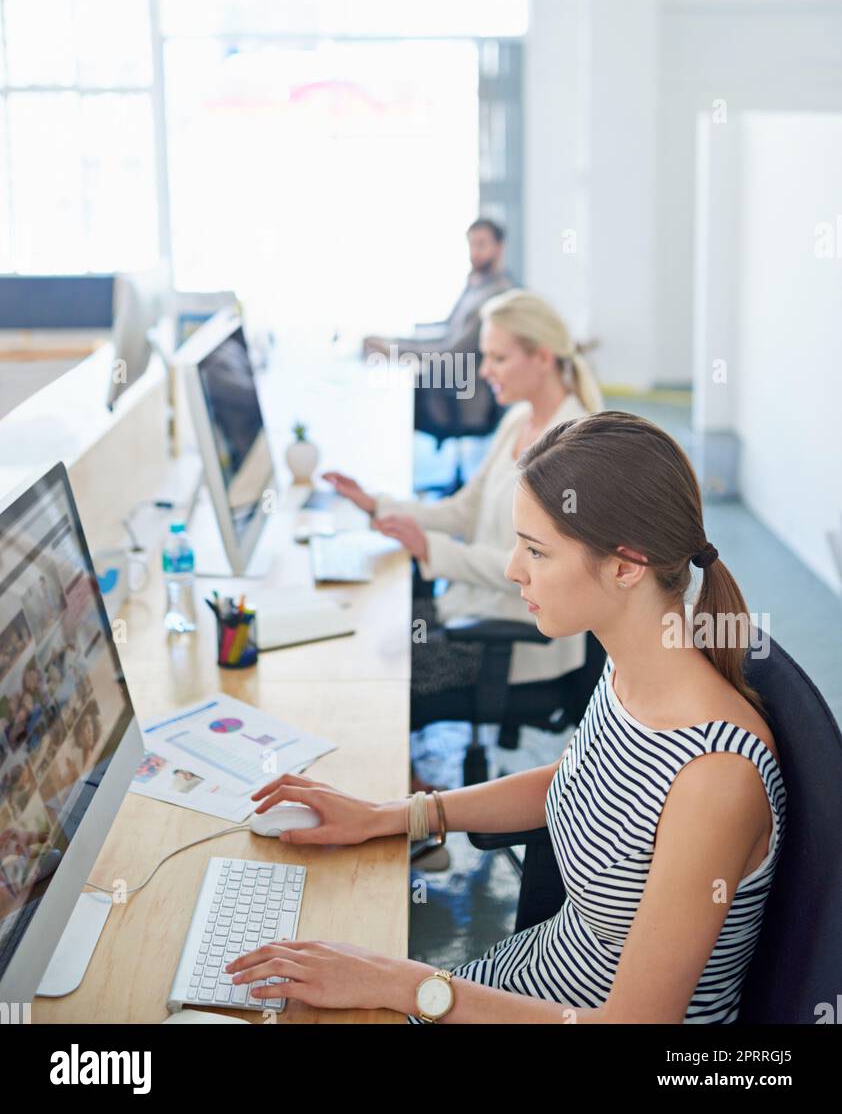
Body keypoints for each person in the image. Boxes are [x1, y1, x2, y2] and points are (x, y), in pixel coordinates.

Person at [224, 411, 786, 1025]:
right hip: (525, 985)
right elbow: (575, 784)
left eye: (537, 551)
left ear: (627, 566)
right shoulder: (633, 664)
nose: (513, 569)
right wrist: (396, 815)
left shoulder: (715, 778)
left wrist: (406, 983)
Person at [324, 290, 604, 774]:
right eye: (484, 357)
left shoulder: (572, 447)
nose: (484, 371)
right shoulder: (520, 418)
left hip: (514, 640)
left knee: (383, 683)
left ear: (542, 357)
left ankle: (415, 827)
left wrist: (429, 548)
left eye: (498, 358)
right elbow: (464, 508)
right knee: (368, 634)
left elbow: (535, 571)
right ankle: (410, 807)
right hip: (474, 606)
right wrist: (379, 504)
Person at [364, 218, 513, 441]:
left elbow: (453, 351)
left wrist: (392, 350)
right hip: (450, 382)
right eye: (471, 245)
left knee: (384, 401)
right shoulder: (475, 286)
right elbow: (447, 329)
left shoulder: (497, 297)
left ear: (499, 248)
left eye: (481, 244)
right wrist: (392, 340)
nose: (474, 252)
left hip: (463, 394)